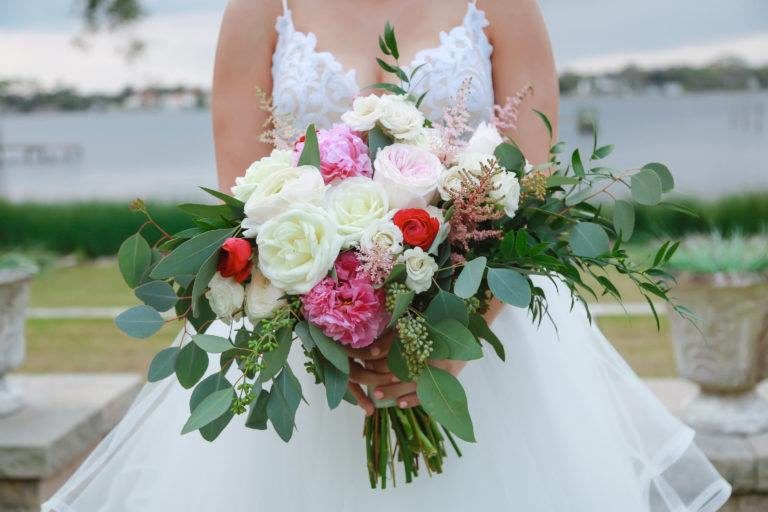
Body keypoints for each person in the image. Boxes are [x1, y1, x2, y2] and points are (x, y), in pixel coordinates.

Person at [42, 1, 731, 510]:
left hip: (480, 344)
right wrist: (337, 333)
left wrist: (452, 343)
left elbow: (531, 188)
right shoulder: (258, 7)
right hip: (308, 356)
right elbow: (244, 206)